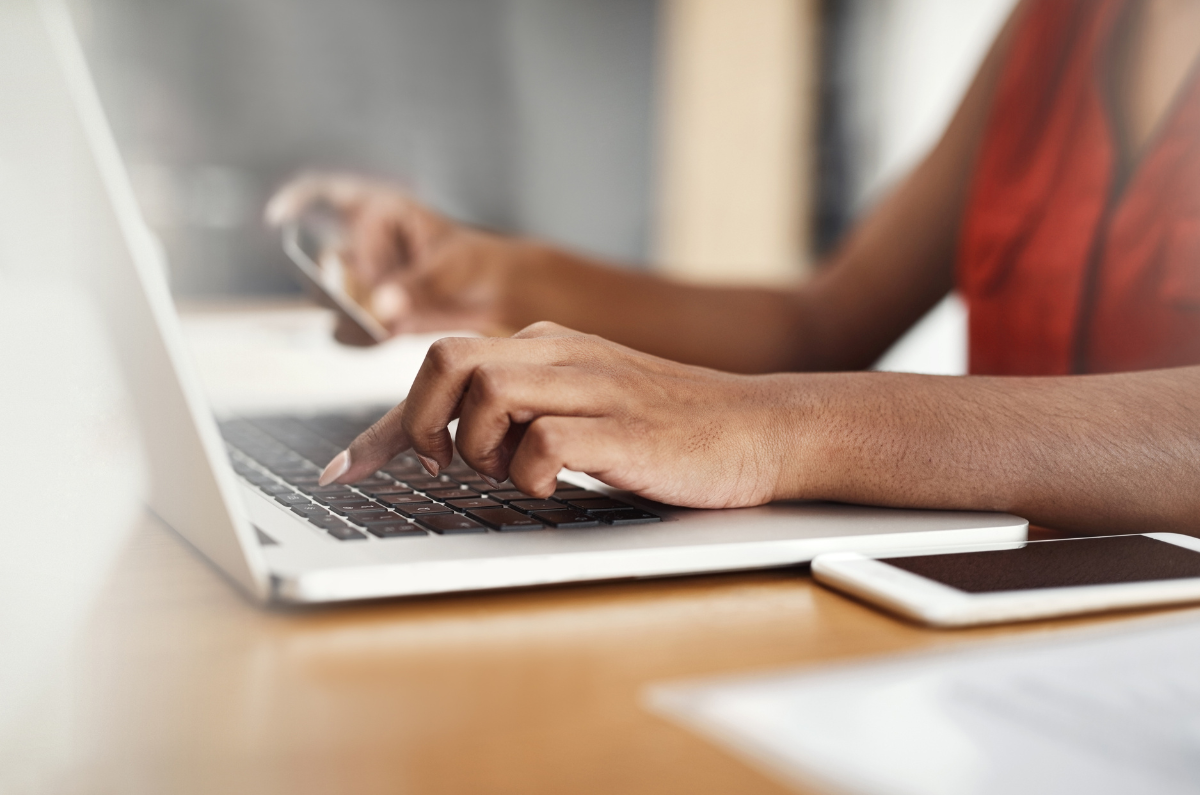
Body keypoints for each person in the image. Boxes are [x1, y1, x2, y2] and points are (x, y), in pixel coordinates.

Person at [267, 0, 1200, 535]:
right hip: (992, 613)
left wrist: (768, 426)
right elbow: (823, 323)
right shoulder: (1062, 22)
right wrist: (490, 276)